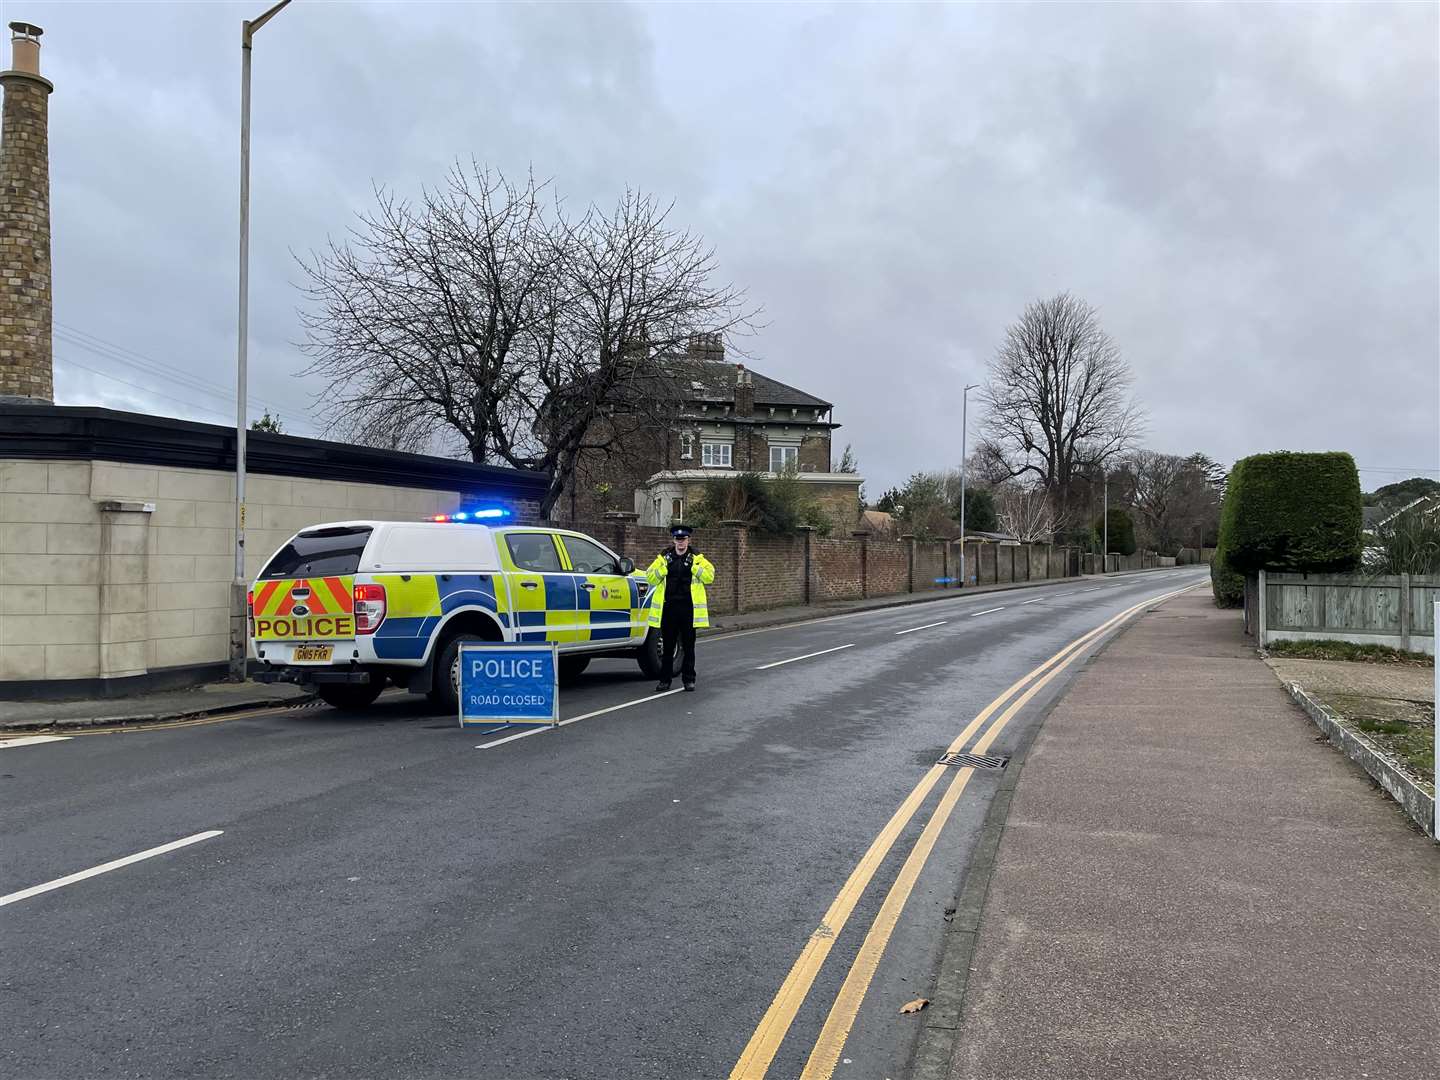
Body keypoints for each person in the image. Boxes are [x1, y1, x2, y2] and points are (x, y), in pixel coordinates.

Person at [645, 523, 715, 692]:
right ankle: (665, 680)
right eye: (678, 539)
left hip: (688, 609)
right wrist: (663, 569)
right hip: (668, 608)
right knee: (668, 647)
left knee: (689, 646)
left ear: (688, 540)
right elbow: (650, 577)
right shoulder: (664, 557)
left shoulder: (697, 557)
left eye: (684, 539)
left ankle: (689, 679)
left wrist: (695, 567)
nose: (681, 542)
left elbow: (710, 576)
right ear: (674, 540)